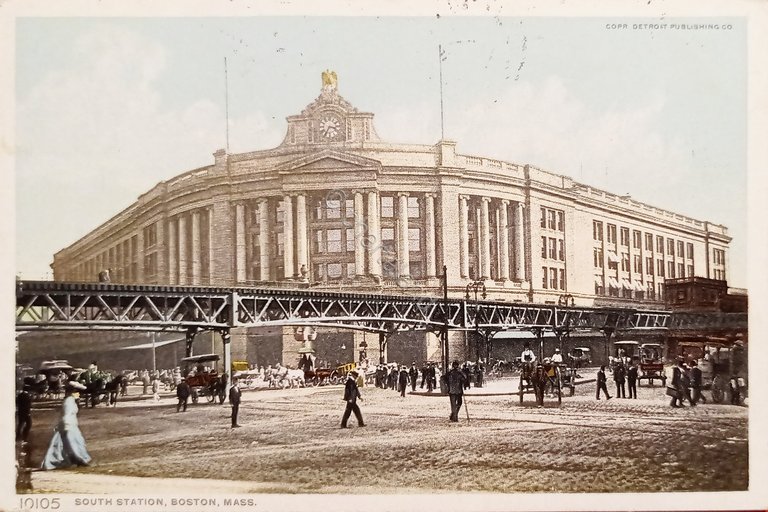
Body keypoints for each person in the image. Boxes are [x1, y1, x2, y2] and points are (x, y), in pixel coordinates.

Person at [42, 381, 91, 470]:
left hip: (72, 424)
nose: (79, 394)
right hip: (68, 424)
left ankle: (77, 459)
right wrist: (66, 425)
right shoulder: (68, 401)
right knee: (72, 443)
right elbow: (66, 414)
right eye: (77, 392)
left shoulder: (72, 401)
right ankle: (79, 459)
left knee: (76, 442)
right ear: (73, 392)